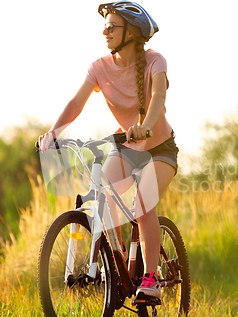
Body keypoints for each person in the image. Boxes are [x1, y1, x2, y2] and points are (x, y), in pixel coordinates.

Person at [38, 1, 178, 300]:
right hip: (127, 145)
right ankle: (121, 267)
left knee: (143, 204)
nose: (105, 31)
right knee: (105, 195)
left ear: (132, 33)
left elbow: (157, 96)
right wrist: (54, 131)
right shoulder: (99, 67)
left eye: (112, 26)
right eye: (105, 26)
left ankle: (151, 279)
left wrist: (146, 125)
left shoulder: (155, 61)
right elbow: (76, 103)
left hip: (160, 148)